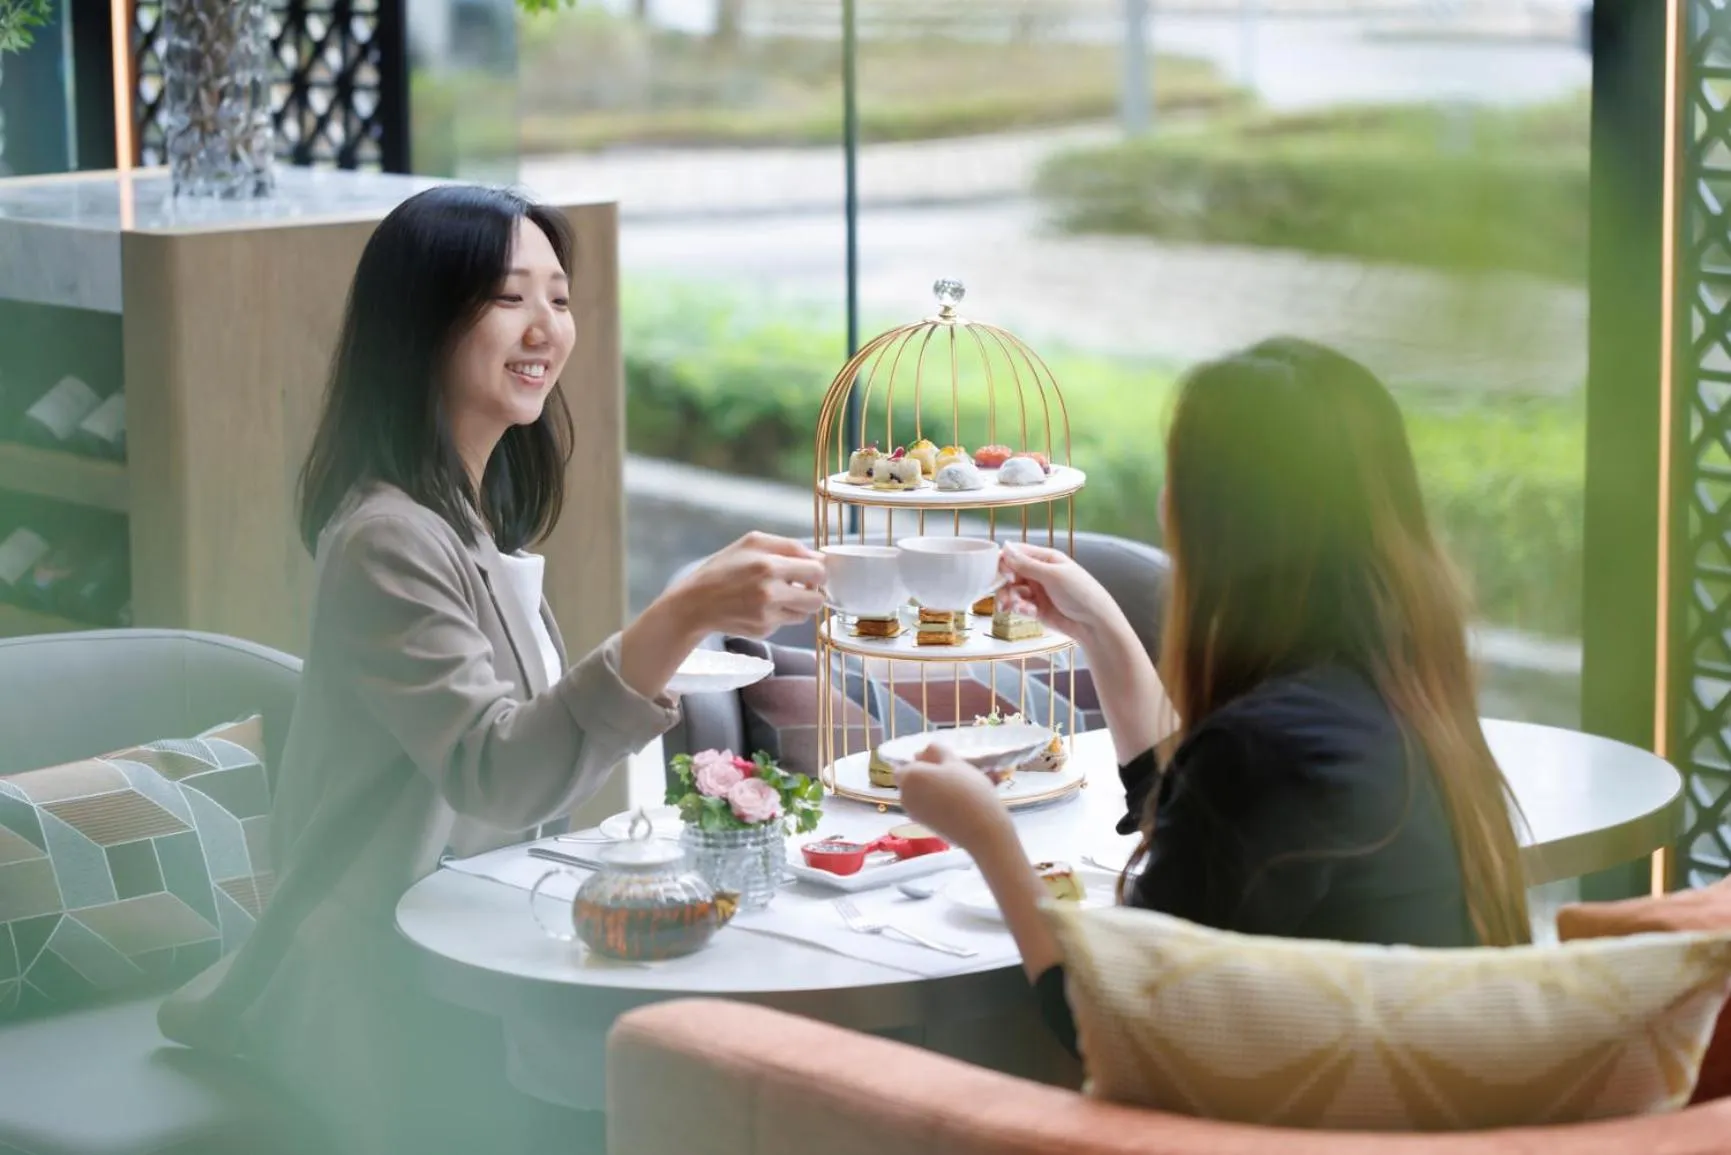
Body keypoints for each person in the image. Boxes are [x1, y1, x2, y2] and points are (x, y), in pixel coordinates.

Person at [157, 185, 826, 1153]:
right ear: (423, 319)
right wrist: (680, 615)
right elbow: (497, 771)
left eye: (559, 297)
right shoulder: (386, 537)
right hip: (392, 986)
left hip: (485, 937)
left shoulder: (466, 520)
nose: (546, 327)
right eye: (511, 296)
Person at [897, 337, 1532, 1056]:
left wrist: (986, 833)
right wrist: (1101, 627)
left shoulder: (1265, 749)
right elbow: (1195, 823)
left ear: (1222, 523)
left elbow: (1104, 1021)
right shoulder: (1392, 689)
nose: (1167, 501)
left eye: (1181, 480)